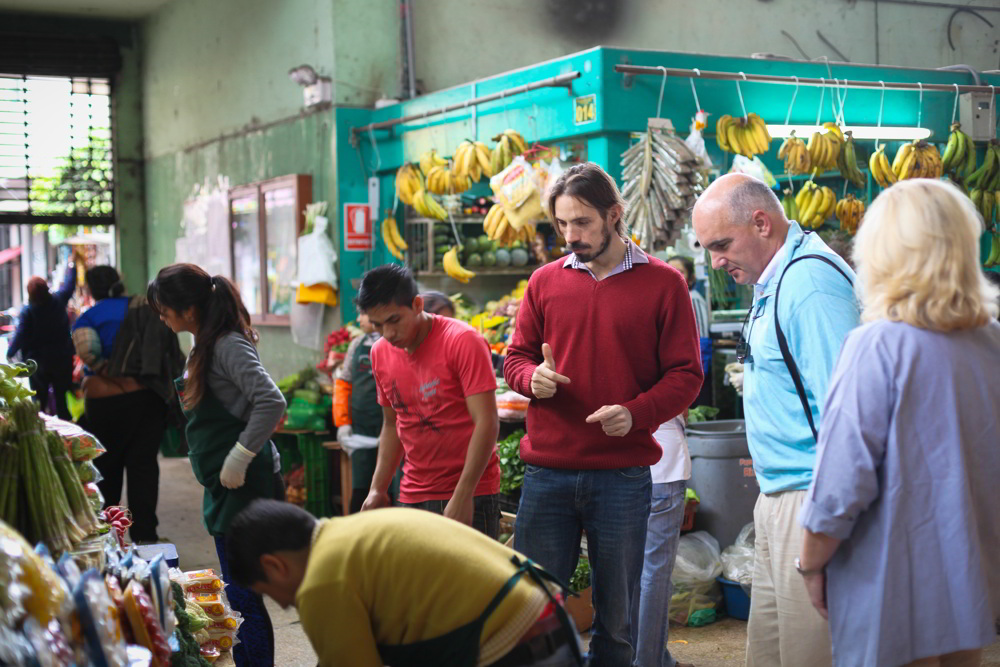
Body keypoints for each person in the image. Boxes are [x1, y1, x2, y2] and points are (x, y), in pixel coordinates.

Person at [504, 162, 703, 666]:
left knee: (617, 622)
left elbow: (686, 375)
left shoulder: (664, 284)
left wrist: (636, 413)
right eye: (562, 223)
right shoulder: (543, 282)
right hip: (546, 472)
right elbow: (515, 358)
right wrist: (531, 379)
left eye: (582, 222)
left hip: (622, 475)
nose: (570, 236)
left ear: (614, 215)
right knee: (533, 611)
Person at [797, 179, 1000, 667]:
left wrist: (811, 563)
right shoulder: (991, 342)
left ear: (881, 252)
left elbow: (841, 482)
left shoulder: (875, 347)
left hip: (890, 579)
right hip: (971, 575)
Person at [692, 173, 860, 667]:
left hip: (811, 499)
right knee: (772, 652)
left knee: (812, 652)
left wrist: (826, 523)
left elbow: (847, 416)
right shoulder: (776, 278)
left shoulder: (810, 285)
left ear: (761, 223)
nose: (716, 261)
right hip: (780, 497)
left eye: (722, 245)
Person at [227, 500, 585, 667]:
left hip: (514, 641)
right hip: (546, 616)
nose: (285, 606)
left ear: (274, 566)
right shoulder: (348, 534)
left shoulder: (321, 582)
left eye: (269, 594)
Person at [147, 263, 286, 667]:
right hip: (226, 487)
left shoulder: (227, 345)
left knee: (245, 596)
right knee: (240, 594)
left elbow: (271, 401)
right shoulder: (204, 344)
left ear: (188, 309)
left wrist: (240, 456)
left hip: (248, 486)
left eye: (164, 310)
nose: (162, 317)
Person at [356, 264, 502, 538]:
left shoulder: (463, 341)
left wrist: (463, 494)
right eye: (378, 325)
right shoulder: (379, 353)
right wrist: (377, 488)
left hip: (470, 492)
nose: (388, 333)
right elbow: (392, 424)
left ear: (417, 304)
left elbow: (487, 422)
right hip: (413, 492)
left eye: (394, 320)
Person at [72, 265, 184, 544]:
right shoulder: (146, 308)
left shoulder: (88, 318)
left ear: (90, 289)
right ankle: (145, 536)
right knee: (143, 468)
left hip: (103, 404)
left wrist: (111, 375)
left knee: (106, 468)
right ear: (119, 282)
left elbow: (88, 352)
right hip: (147, 398)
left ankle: (108, 537)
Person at [630, 415, 693, 667]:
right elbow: (681, 405)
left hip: (622, 468)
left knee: (629, 572)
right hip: (663, 466)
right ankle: (649, 661)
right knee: (654, 573)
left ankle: (645, 657)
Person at [333, 312, 390, 513]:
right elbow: (343, 383)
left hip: (391, 426)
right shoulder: (356, 345)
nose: (359, 319)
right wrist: (343, 422)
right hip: (361, 427)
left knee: (392, 488)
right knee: (361, 488)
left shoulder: (394, 343)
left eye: (363, 313)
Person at [7, 259, 77, 420]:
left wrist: (10, 352)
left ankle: (41, 429)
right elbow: (69, 286)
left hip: (38, 363)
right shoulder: (58, 301)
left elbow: (21, 335)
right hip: (62, 359)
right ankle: (67, 429)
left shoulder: (28, 312)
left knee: (39, 404)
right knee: (62, 401)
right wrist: (72, 267)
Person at [667, 255, 712, 406]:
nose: (673, 274)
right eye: (669, 270)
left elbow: (702, 337)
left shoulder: (693, 298)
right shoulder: (673, 298)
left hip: (692, 369)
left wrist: (699, 370)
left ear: (691, 278)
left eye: (680, 271)